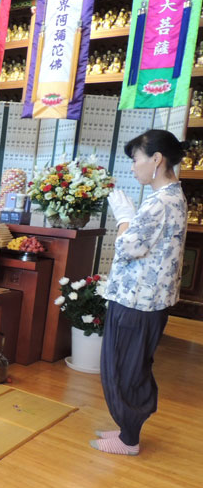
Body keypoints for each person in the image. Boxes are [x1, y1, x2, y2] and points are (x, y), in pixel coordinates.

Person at [96, 130, 188, 456]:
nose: (133, 167)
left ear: (156, 159)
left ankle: (129, 439)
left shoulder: (161, 201)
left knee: (124, 368)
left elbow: (128, 247)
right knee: (129, 365)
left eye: (136, 159)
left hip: (138, 301)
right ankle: (127, 428)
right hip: (143, 299)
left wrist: (124, 217)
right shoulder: (171, 196)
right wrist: (132, 218)